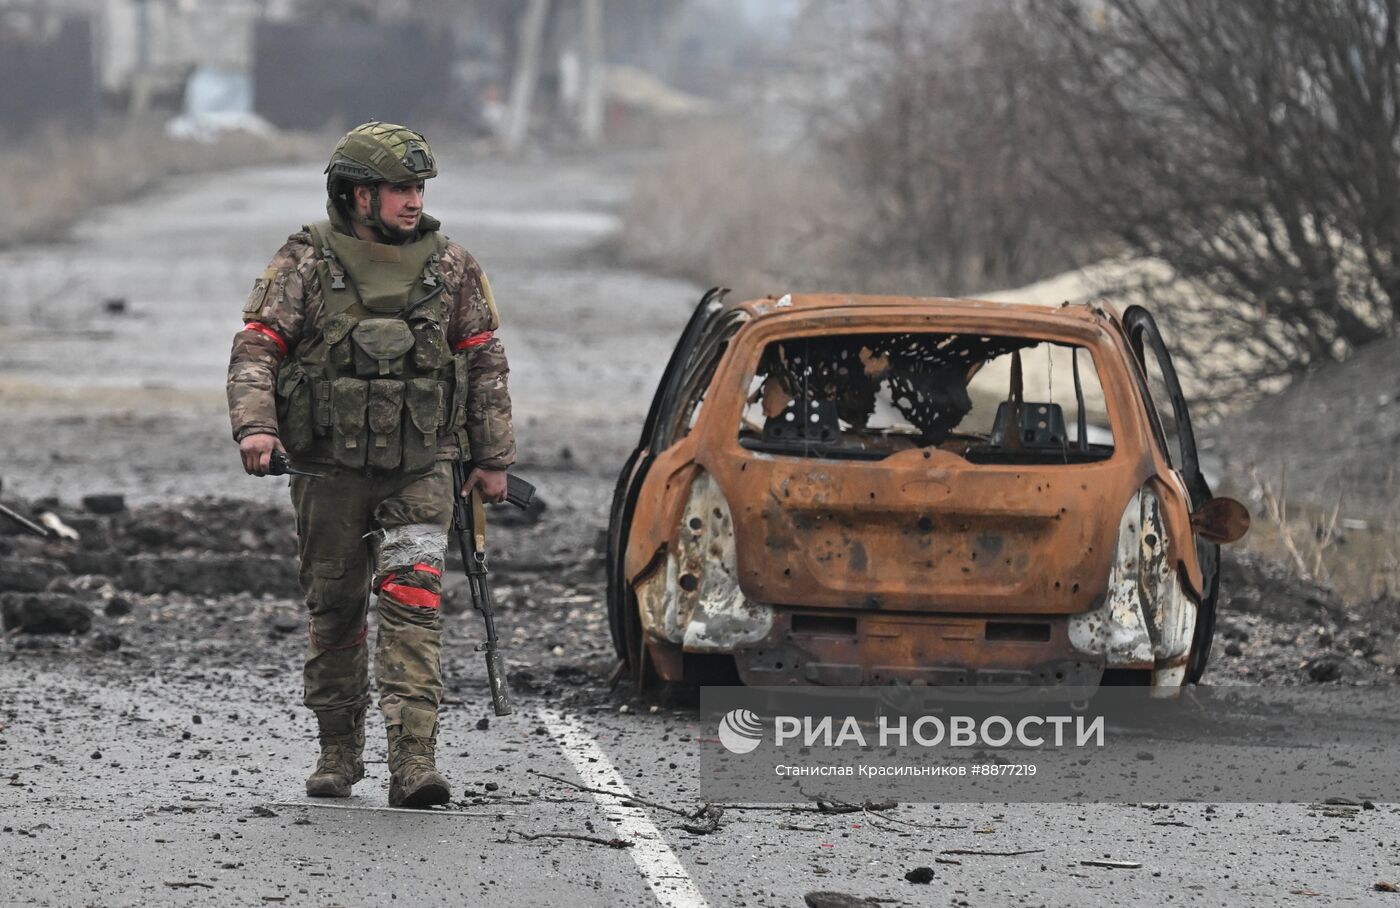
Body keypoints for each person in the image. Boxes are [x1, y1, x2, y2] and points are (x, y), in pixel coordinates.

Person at [226, 121, 515, 808]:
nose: (413, 201)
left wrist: (493, 456)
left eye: (418, 189)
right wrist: (257, 429)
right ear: (358, 195)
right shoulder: (304, 261)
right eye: (400, 189)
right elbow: (257, 348)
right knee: (334, 609)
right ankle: (337, 750)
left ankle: (414, 761)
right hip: (327, 468)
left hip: (422, 465)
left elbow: (483, 363)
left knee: (413, 602)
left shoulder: (453, 267)